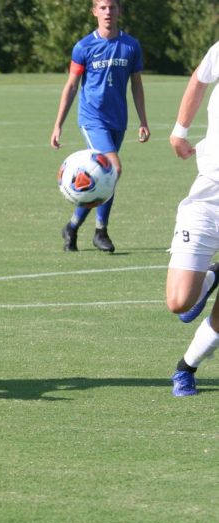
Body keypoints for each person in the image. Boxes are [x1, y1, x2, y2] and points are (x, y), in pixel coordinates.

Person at [50, 0, 149, 253]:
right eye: (102, 7)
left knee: (98, 179)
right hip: (92, 120)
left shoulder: (131, 46)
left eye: (112, 7)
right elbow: (71, 85)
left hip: (118, 120)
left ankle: (72, 227)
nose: (108, 12)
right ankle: (100, 231)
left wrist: (143, 120)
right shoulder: (84, 46)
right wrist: (58, 124)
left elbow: (136, 84)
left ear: (119, 11)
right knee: (112, 169)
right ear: (94, 11)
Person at [166, 40, 219, 397]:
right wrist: (180, 131)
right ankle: (213, 274)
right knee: (179, 302)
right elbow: (199, 80)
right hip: (210, 194)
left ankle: (187, 367)